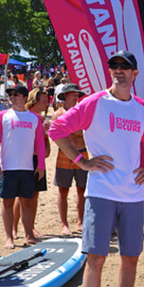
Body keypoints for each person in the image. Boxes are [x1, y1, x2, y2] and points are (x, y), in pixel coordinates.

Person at [50, 52, 144, 287]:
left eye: (125, 67)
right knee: (96, 258)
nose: (119, 71)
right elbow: (57, 129)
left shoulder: (141, 108)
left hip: (133, 195)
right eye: (114, 66)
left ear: (135, 74)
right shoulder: (95, 102)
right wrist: (81, 161)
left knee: (131, 258)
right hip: (100, 193)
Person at [0, 85, 46, 248]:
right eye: (10, 95)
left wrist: (41, 164)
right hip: (7, 166)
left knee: (27, 202)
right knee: (8, 202)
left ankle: (29, 235)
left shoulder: (34, 118)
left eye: (16, 94)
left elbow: (40, 144)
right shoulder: (2, 116)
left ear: (24, 97)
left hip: (28, 166)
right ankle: (9, 237)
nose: (12, 97)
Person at [11, 87, 51, 241]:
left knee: (34, 196)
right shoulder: (25, 116)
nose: (47, 103)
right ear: (35, 101)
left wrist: (46, 134)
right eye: (44, 100)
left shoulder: (41, 119)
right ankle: (14, 228)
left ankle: (30, 227)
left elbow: (46, 149)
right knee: (21, 196)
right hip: (24, 158)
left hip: (37, 159)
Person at [50, 84, 87, 235]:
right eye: (73, 94)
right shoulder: (58, 114)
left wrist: (72, 131)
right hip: (65, 154)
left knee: (82, 190)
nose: (76, 97)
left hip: (82, 152)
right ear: (65, 96)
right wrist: (74, 131)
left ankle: (80, 221)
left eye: (77, 95)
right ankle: (64, 224)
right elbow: (64, 134)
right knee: (63, 190)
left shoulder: (82, 112)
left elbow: (79, 133)